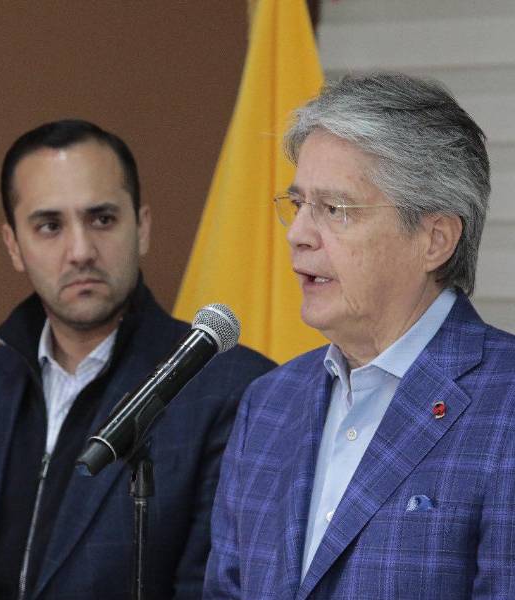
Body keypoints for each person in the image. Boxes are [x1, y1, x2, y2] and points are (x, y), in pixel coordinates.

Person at [0, 119, 274, 600]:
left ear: (141, 228)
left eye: (102, 219)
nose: (81, 251)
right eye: (49, 226)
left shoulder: (230, 389)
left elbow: (213, 590)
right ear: (13, 245)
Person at [204, 72, 515, 599]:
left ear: (435, 239)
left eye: (335, 209)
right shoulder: (269, 404)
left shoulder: (505, 402)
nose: (298, 235)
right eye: (298, 205)